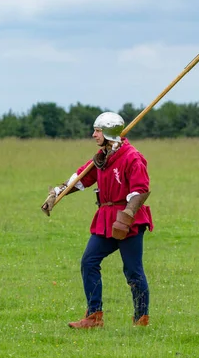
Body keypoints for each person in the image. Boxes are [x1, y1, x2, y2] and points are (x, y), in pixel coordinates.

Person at [41, 111, 153, 329]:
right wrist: (56, 193)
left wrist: (126, 217)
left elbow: (141, 190)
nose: (93, 135)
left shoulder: (132, 157)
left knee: (133, 270)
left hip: (128, 221)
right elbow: (81, 178)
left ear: (109, 132)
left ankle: (141, 319)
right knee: (89, 262)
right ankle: (94, 317)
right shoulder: (104, 156)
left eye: (98, 131)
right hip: (105, 219)